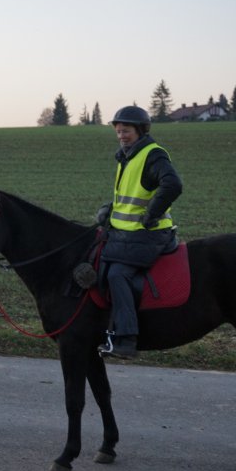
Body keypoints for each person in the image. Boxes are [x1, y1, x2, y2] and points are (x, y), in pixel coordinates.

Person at [96, 106, 182, 359]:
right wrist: (110, 210)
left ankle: (126, 338)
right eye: (118, 131)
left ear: (141, 131)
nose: (121, 136)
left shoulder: (152, 155)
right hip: (126, 232)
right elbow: (133, 195)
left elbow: (173, 185)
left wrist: (152, 213)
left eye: (127, 131)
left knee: (118, 274)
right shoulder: (127, 156)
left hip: (149, 233)